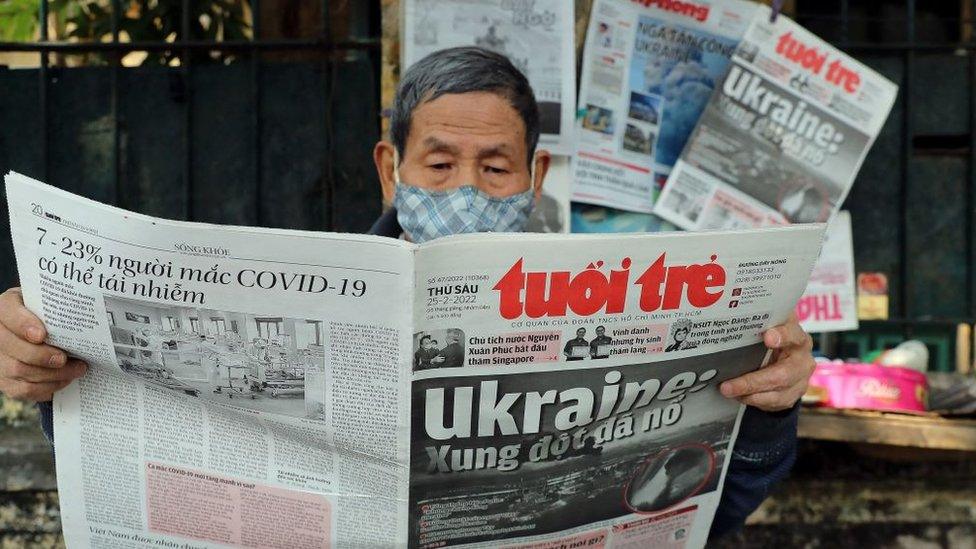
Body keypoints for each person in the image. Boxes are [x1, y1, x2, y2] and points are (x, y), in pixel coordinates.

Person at [0, 46, 816, 540]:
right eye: (438, 163)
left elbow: (717, 504)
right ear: (391, 168)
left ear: (532, 178)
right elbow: (148, 426)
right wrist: (50, 362)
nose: (466, 187)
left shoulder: (618, 305)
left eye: (494, 167)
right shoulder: (313, 294)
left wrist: (770, 410)